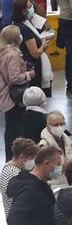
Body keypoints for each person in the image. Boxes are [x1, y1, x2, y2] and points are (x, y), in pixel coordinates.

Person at [0, 27, 34, 157]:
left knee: (10, 128)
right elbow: (14, 78)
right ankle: (14, 158)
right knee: (15, 129)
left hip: (5, 95)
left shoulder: (3, 52)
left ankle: (11, 158)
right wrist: (28, 74)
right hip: (13, 97)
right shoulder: (12, 55)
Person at [12, 0, 50, 96]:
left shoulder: (22, 23)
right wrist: (43, 45)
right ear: (23, 11)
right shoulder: (24, 28)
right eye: (29, 7)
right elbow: (35, 53)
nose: (32, 9)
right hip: (32, 67)